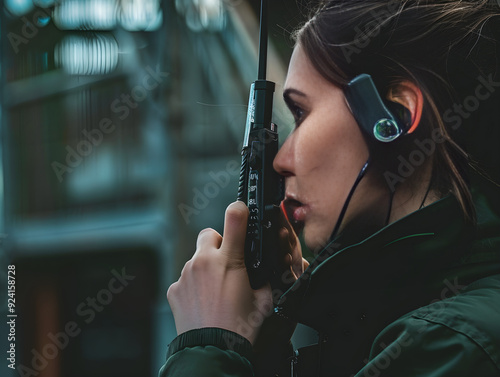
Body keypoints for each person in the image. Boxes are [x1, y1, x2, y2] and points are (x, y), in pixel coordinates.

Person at [160, 1, 500, 376]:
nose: (280, 160)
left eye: (301, 114)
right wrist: (260, 349)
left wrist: (207, 349)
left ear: (394, 116)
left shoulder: (447, 346)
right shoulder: (415, 323)